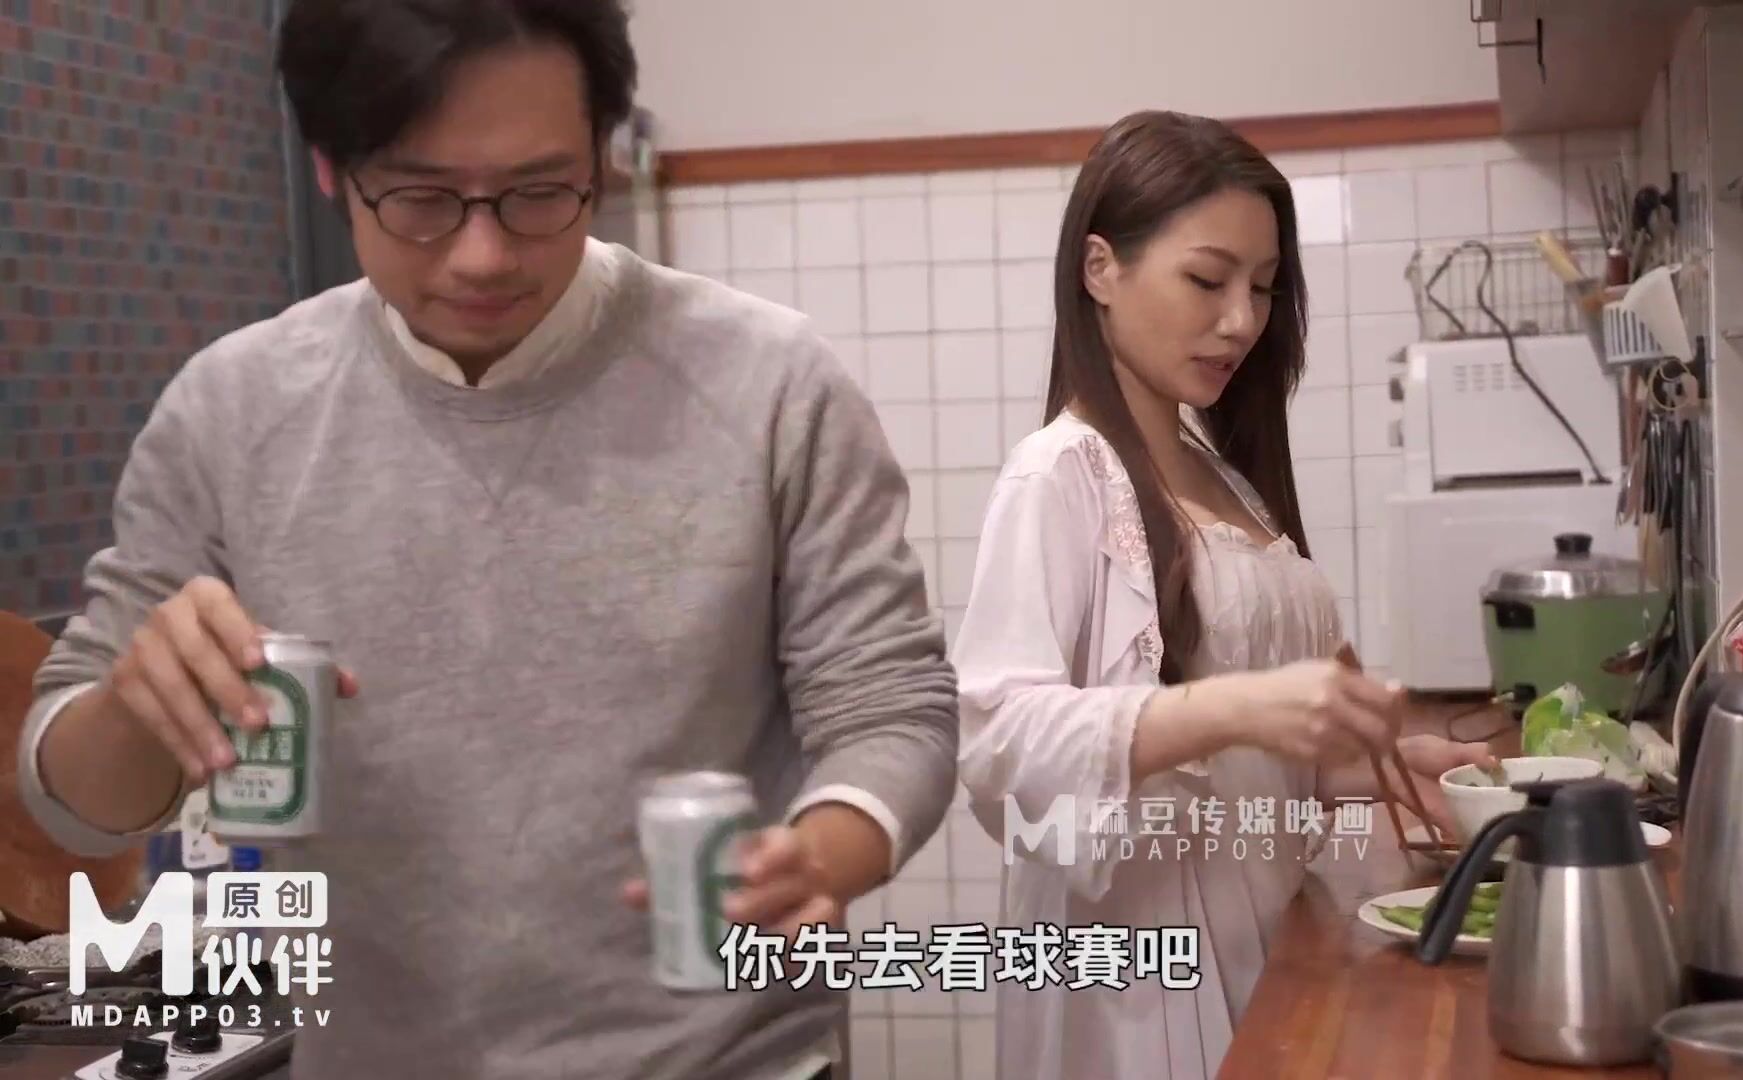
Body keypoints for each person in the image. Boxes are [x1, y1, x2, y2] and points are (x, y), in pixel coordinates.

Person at [16, 2, 957, 1077]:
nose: (483, 253)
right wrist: (136, 705)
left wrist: (823, 852)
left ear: (599, 160)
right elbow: (75, 811)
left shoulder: (772, 382)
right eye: (421, 199)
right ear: (331, 169)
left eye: (537, 192)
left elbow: (893, 706)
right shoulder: (230, 412)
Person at [949, 111, 1498, 1080]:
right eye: (1207, 281)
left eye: (1263, 287)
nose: (1242, 320)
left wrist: (1378, 764)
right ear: (1100, 269)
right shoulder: (1061, 474)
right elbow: (996, 740)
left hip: (1262, 945)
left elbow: (1244, 765)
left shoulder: (1221, 476)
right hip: (1141, 991)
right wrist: (1239, 706)